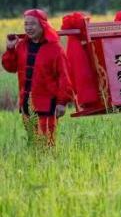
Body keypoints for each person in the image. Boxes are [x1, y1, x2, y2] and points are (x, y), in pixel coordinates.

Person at [2, 9, 73, 146]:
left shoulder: (55, 49)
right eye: (26, 24)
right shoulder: (22, 45)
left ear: (43, 25)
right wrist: (10, 49)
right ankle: (35, 165)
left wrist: (62, 102)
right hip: (26, 103)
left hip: (47, 103)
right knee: (32, 142)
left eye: (32, 24)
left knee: (47, 143)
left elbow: (64, 76)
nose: (28, 28)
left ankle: (49, 166)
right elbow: (10, 68)